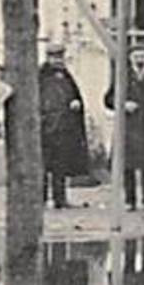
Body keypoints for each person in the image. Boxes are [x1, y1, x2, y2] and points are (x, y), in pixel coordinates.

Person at [107, 45, 144, 211]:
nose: (139, 59)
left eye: (142, 56)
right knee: (128, 165)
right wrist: (122, 104)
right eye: (136, 56)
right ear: (130, 58)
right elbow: (108, 99)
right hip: (128, 126)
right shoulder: (122, 77)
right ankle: (130, 200)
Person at [39, 40, 90, 209]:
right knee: (43, 167)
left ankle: (60, 198)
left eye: (60, 57)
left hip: (64, 128)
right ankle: (42, 199)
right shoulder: (40, 76)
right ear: (48, 58)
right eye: (54, 57)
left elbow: (73, 95)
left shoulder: (66, 76)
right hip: (46, 128)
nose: (58, 60)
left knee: (60, 166)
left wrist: (75, 103)